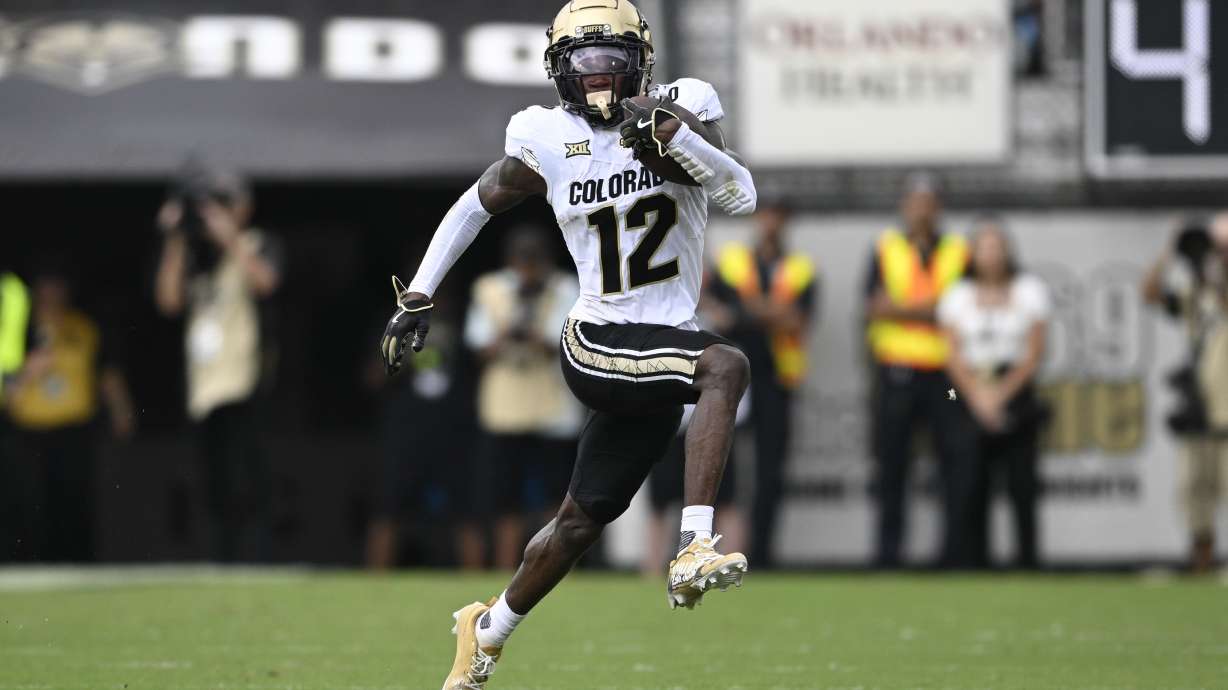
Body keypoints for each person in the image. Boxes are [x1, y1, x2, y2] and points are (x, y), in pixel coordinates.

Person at [377, 3, 756, 687]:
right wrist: (420, 292)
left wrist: (676, 138)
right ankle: (696, 545)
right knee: (724, 365)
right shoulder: (543, 134)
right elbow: (476, 201)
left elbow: (741, 194)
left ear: (640, 61)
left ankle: (485, 634)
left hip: (662, 341)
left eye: (611, 58)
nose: (597, 75)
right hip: (599, 337)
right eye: (582, 63)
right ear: (558, 70)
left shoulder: (685, 102)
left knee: (580, 523)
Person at [154, 166, 283, 562]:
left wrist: (230, 239)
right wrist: (175, 239)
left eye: (224, 204)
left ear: (243, 207)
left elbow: (266, 283)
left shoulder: (256, 243)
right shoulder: (195, 254)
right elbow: (168, 302)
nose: (216, 213)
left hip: (245, 378)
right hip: (204, 385)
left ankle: (259, 560)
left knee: (251, 477)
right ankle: (219, 562)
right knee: (211, 482)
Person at [863, 174, 971, 568]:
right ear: (905, 206)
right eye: (915, 201)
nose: (922, 209)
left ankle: (952, 556)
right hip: (898, 370)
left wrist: (903, 309)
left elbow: (963, 309)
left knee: (952, 462)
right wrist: (934, 310)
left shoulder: (960, 250)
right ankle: (888, 556)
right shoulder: (885, 248)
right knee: (892, 465)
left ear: (939, 207)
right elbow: (875, 307)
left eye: (929, 201)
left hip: (947, 376)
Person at [464, 227, 580, 569]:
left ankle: (554, 568)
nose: (528, 272)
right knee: (505, 496)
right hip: (505, 410)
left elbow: (557, 345)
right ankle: (506, 569)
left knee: (554, 496)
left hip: (553, 409)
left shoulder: (564, 289)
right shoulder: (491, 289)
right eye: (522, 264)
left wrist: (532, 323)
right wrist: (513, 317)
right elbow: (481, 346)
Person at [708, 203, 816, 568]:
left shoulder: (801, 268)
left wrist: (745, 311)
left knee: (771, 469)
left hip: (777, 378)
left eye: (778, 215)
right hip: (730, 377)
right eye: (765, 214)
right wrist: (770, 312)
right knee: (723, 466)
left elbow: (796, 319)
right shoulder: (731, 261)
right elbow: (718, 313)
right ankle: (718, 552)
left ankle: (764, 555)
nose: (771, 221)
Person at [4, 263, 135, 562]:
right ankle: (31, 566)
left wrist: (121, 412)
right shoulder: (18, 326)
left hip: (74, 430)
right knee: (30, 506)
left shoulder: (84, 328)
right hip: (28, 432)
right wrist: (29, 370)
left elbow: (106, 372)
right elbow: (7, 378)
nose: (52, 292)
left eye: (58, 283)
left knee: (75, 502)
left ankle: (79, 565)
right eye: (46, 284)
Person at [938, 220, 1050, 569]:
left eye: (997, 246)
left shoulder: (1029, 290)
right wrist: (977, 397)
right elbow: (951, 354)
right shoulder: (957, 294)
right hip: (963, 388)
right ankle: (971, 562)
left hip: (1013, 385)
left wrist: (1000, 394)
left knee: (1022, 481)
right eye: (983, 247)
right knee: (969, 480)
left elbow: (1034, 352)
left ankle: (1027, 562)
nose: (991, 254)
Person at [1142, 213, 1228, 573]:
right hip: (1201, 407)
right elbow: (1149, 293)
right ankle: (1201, 559)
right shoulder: (1195, 290)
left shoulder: (1216, 287)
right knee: (1193, 488)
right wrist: (1171, 250)